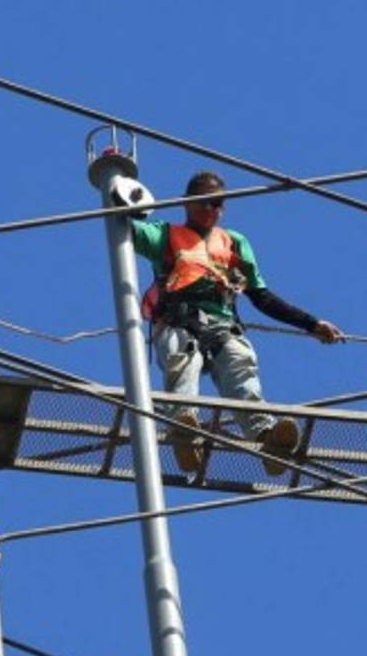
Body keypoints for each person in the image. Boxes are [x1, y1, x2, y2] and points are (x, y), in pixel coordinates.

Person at [130, 170, 343, 475]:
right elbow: (130, 230)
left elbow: (262, 297)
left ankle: (267, 440)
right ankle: (184, 430)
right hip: (178, 321)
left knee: (240, 365)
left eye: (217, 204)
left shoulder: (234, 243)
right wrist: (126, 200)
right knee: (183, 361)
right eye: (204, 203)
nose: (210, 210)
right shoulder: (164, 235)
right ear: (186, 203)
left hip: (222, 323)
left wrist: (311, 324)